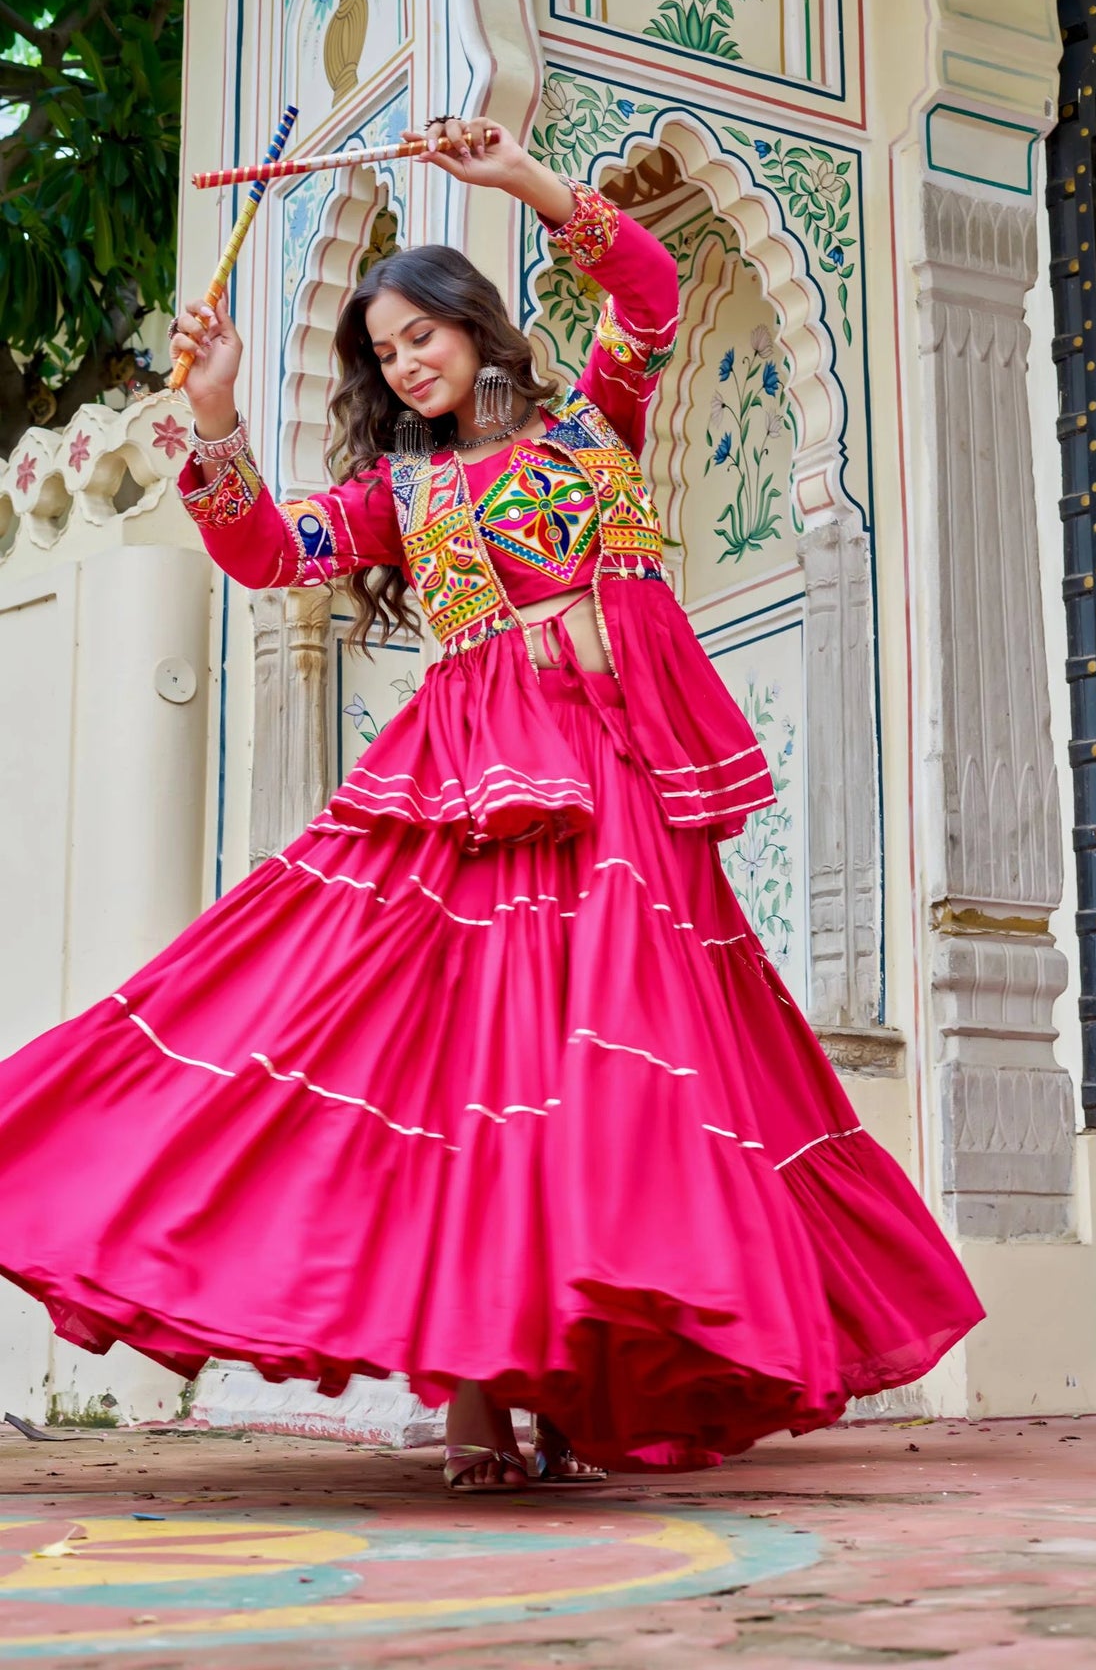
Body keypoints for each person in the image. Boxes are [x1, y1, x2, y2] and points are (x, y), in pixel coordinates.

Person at [0, 119, 983, 1491]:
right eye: (384, 352)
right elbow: (270, 552)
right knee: (486, 1068)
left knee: (614, 1075)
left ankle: (573, 1376)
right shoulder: (400, 491)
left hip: (620, 774)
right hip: (480, 780)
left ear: (472, 326)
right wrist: (215, 413)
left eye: (422, 334)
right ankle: (475, 1388)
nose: (407, 363)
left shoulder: (591, 418)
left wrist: (521, 179)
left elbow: (652, 291)